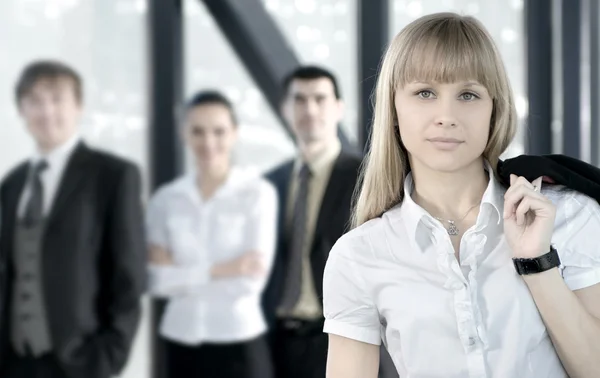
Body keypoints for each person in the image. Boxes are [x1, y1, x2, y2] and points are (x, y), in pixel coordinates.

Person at [323, 13, 600, 378]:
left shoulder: (567, 214)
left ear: (494, 109)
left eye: (468, 95)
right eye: (425, 93)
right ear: (393, 109)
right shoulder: (359, 255)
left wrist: (538, 262)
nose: (446, 116)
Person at [0, 60, 146, 378]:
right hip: (13, 363)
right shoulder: (10, 185)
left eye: (56, 99)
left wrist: (109, 356)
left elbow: (130, 275)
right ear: (21, 111)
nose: (46, 111)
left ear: (78, 106)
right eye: (34, 101)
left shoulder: (113, 175)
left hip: (80, 361)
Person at [146, 91, 277, 378]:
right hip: (178, 343)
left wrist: (180, 274)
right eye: (198, 131)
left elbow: (249, 283)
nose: (208, 142)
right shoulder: (165, 200)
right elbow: (155, 280)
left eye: (219, 131)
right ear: (184, 134)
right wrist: (223, 269)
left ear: (234, 134)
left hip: (239, 345)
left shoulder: (257, 195)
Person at [262, 66, 364, 378]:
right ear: (285, 109)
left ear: (338, 108)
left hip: (338, 338)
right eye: (300, 100)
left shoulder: (366, 176)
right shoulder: (270, 183)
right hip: (276, 342)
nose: (310, 109)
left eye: (320, 99)